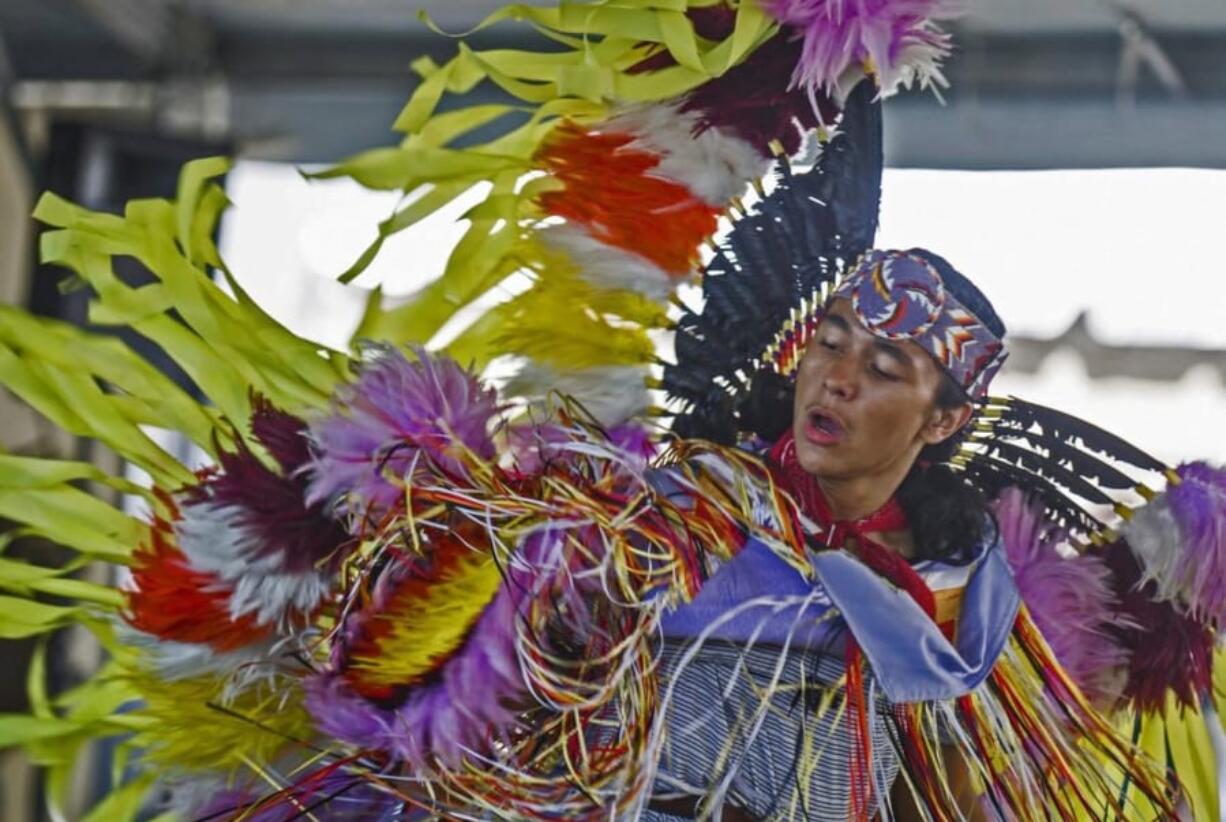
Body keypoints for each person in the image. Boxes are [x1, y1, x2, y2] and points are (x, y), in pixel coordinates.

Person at [1, 1, 1222, 820]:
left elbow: (1152, 617)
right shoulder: (629, 504)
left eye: (887, 366)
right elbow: (394, 692)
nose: (837, 376)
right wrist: (488, 568)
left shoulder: (983, 613)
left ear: (946, 419)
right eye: (830, 341)